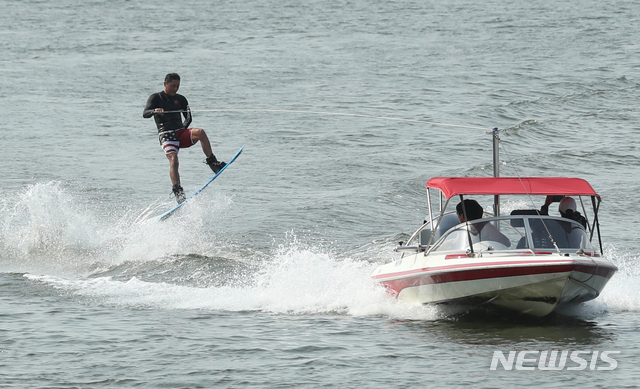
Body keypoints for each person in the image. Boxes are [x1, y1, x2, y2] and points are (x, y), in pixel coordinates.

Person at [143, 73, 225, 203]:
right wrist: (155, 111)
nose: (175, 89)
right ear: (165, 84)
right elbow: (145, 114)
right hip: (166, 135)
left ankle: (213, 163)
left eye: (178, 86)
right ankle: (178, 190)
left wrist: (183, 129)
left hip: (180, 132)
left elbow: (188, 117)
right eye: (173, 86)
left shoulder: (181, 99)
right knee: (174, 159)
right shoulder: (155, 98)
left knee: (200, 132)